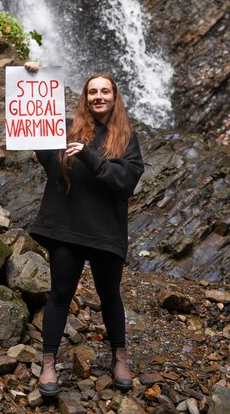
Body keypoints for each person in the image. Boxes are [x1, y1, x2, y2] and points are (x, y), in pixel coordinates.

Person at [24, 62, 144, 397]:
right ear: (85, 98)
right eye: (93, 91)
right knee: (60, 295)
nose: (98, 96)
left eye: (105, 91)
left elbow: (126, 181)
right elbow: (37, 132)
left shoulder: (127, 140)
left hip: (106, 230)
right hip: (68, 228)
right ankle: (48, 363)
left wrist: (90, 156)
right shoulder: (67, 131)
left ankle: (120, 357)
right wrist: (34, 80)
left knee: (110, 296)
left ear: (115, 97)